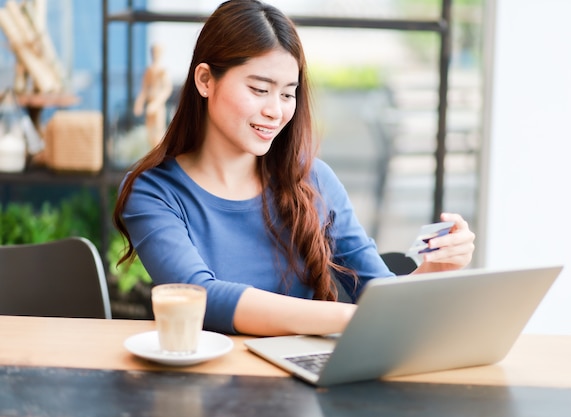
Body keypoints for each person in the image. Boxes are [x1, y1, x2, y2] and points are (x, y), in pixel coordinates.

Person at [113, 0, 475, 336]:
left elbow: (376, 292)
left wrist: (432, 272)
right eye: (259, 89)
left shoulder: (313, 179)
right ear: (205, 80)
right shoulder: (152, 191)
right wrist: (350, 318)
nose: (276, 110)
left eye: (288, 93)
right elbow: (200, 297)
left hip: (301, 387)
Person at [133, 43, 173, 147]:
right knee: (150, 134)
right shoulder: (149, 70)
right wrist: (139, 103)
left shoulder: (162, 71)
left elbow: (167, 89)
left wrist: (156, 103)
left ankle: (159, 157)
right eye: (154, 52)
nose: (155, 54)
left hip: (157, 106)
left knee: (158, 132)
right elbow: (144, 89)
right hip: (150, 104)